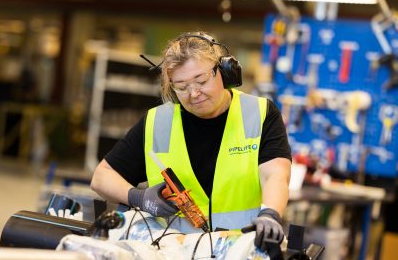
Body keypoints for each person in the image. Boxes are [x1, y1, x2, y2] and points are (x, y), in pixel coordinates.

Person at [90, 31, 291, 248]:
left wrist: (270, 213)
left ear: (223, 72)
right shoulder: (158, 122)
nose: (194, 93)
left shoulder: (259, 113)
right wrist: (140, 198)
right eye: (182, 86)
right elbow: (102, 177)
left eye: (201, 80)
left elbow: (275, 175)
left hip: (240, 256)